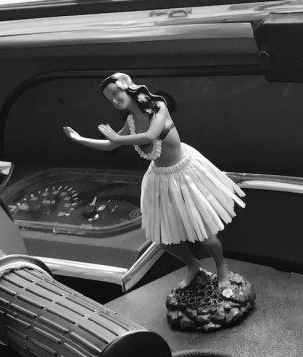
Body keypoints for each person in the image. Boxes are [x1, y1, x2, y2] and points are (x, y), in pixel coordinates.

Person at [63, 72, 244, 288]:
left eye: (114, 93)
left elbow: (151, 135)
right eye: (108, 98)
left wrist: (118, 138)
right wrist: (80, 139)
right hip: (159, 179)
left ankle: (221, 267)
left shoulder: (158, 107)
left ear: (127, 86)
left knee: (205, 235)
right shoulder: (131, 121)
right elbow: (111, 146)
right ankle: (193, 265)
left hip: (184, 174)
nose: (113, 100)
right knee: (162, 238)